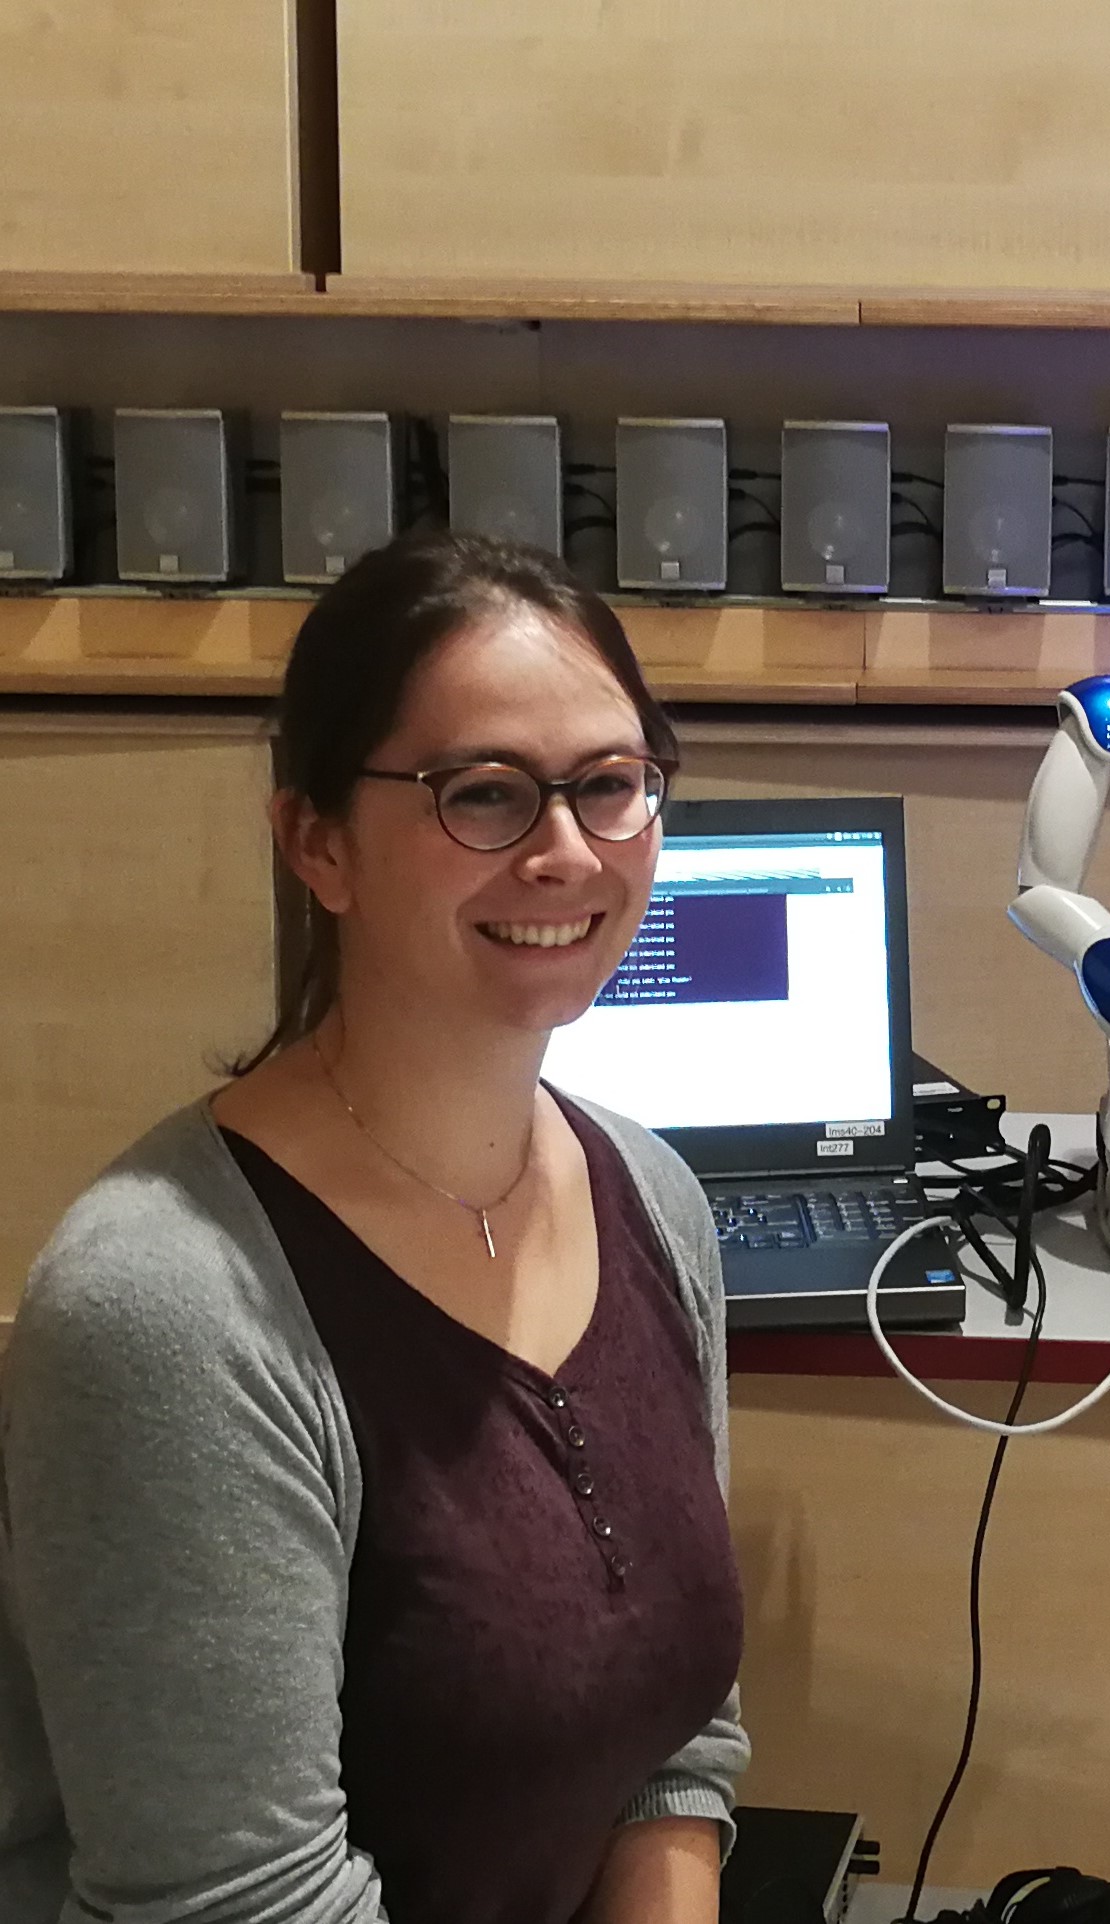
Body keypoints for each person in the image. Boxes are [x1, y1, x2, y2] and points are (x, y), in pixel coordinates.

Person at [0, 531, 749, 1924]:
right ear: (317, 842)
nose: (568, 852)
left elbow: (673, 1741)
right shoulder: (169, 1309)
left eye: (610, 784)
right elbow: (238, 1906)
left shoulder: (653, 1198)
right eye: (485, 795)